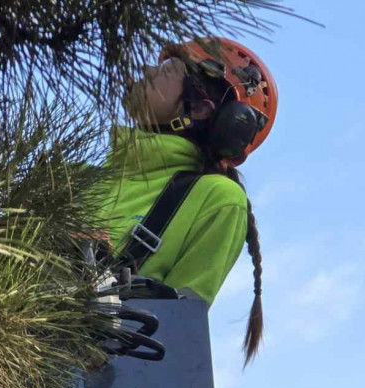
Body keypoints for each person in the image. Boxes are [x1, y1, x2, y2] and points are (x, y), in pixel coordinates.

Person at [97, 36, 277, 365]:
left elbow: (168, 334)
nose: (148, 69)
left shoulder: (217, 200)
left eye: (168, 68)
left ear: (199, 108)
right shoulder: (73, 178)